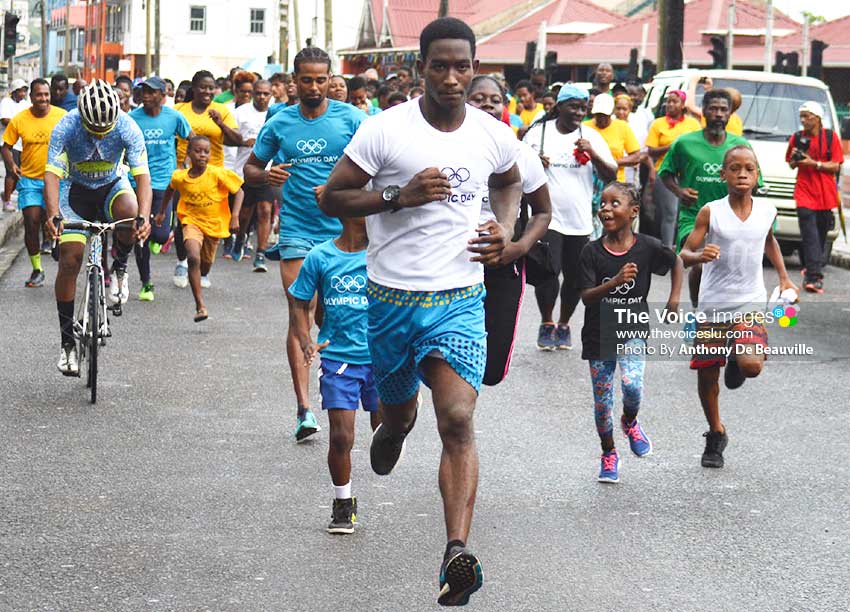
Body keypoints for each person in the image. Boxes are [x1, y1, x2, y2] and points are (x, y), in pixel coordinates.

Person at [321, 17, 523, 605]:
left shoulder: (491, 133)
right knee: (401, 416)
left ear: (475, 65)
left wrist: (504, 229)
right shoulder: (386, 132)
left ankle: (455, 550)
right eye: (441, 66)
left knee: (457, 418)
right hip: (389, 303)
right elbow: (332, 196)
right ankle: (390, 431)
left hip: (460, 299)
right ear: (421, 68)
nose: (453, 77)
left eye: (463, 66)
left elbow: (510, 182)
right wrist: (396, 196)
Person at [244, 47, 367, 443]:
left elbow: (379, 163)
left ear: (330, 79)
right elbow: (249, 168)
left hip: (342, 230)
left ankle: (334, 375)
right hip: (296, 229)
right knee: (300, 308)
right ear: (293, 80)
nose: (314, 87)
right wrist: (266, 174)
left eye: (321, 80)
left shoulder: (351, 119)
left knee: (327, 317)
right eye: (306, 80)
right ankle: (304, 408)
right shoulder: (280, 122)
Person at [680, 146, 796, 468]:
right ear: (724, 174)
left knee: (751, 367)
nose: (742, 174)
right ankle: (716, 433)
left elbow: (768, 239)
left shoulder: (767, 210)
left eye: (749, 169)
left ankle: (738, 353)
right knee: (707, 375)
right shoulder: (710, 212)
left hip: (750, 300)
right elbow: (684, 253)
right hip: (714, 305)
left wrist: (785, 279)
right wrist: (698, 255)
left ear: (757, 176)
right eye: (734, 168)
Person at [44, 80, 152, 375]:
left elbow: (143, 177)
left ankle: (119, 267)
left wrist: (144, 216)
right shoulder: (66, 126)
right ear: (82, 118)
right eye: (94, 130)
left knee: (131, 214)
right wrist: (53, 214)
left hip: (111, 188)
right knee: (69, 261)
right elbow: (52, 175)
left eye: (106, 130)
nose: (100, 136)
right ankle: (67, 344)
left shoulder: (128, 126)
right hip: (74, 192)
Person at [579, 181, 682, 482]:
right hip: (599, 333)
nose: (606, 209)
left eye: (614, 204)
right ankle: (609, 453)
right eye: (603, 204)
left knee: (632, 385)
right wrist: (615, 281)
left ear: (634, 212)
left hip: (633, 328)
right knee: (602, 403)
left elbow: (675, 261)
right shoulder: (591, 251)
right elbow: (586, 296)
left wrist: (674, 300)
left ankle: (630, 421)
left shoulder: (647, 246)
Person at [289, 214, 380, 534]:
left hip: (383, 358)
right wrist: (305, 341)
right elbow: (299, 303)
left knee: (385, 434)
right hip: (339, 359)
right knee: (342, 436)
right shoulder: (320, 257)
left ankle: (406, 409)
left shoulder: (384, 254)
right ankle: (343, 503)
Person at [466, 74, 552, 385]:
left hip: (503, 263)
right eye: (478, 99)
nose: (487, 105)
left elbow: (543, 212)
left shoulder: (522, 154)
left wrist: (519, 247)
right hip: (450, 264)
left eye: (495, 100)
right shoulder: (443, 148)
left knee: (491, 370)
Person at [524, 85, 617, 350]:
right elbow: (516, 168)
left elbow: (611, 173)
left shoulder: (590, 136)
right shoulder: (538, 133)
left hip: (579, 220)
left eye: (582, 107)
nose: (579, 112)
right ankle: (547, 322)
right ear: (559, 107)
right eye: (573, 106)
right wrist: (534, 162)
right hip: (546, 217)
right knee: (548, 273)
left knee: (576, 278)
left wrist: (593, 153)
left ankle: (564, 324)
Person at [658, 89, 755, 311]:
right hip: (693, 216)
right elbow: (665, 173)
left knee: (727, 268)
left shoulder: (740, 146)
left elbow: (754, 180)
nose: (719, 114)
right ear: (703, 112)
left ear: (730, 114)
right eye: (713, 109)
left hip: (731, 217)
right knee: (701, 265)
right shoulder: (684, 143)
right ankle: (697, 310)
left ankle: (726, 313)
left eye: (724, 110)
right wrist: (680, 191)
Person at [155, 135, 243, 321]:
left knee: (205, 265)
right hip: (191, 221)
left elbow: (239, 191)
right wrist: (162, 212)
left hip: (214, 225)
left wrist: (235, 216)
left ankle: (202, 274)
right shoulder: (180, 176)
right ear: (188, 154)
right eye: (197, 151)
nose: (202, 155)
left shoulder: (217, 173)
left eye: (206, 152)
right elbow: (170, 189)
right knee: (193, 257)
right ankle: (200, 306)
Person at [172, 70, 242, 287]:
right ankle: (183, 261)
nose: (207, 91)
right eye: (203, 87)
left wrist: (220, 123)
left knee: (211, 224)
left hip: (214, 175)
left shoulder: (222, 110)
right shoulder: (179, 110)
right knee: (183, 218)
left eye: (211, 87)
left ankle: (204, 267)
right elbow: (169, 138)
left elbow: (237, 140)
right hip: (185, 174)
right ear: (194, 88)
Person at [128, 76, 193, 302]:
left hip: (166, 183)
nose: (145, 95)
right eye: (143, 91)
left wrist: (188, 165)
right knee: (140, 234)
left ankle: (161, 237)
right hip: (138, 181)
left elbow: (191, 138)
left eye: (151, 91)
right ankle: (146, 283)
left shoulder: (174, 117)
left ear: (162, 94)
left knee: (161, 233)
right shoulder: (131, 119)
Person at [1, 79, 66, 287]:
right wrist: (11, 166)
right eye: (39, 95)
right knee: (31, 221)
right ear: (31, 97)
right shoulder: (20, 119)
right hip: (30, 179)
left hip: (56, 180)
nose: (43, 99)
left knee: (56, 221)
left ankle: (57, 248)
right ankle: (37, 269)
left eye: (46, 95)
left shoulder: (62, 117)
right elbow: (6, 147)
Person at [785, 101, 843, 294]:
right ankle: (814, 277)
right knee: (809, 234)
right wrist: (795, 158)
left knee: (820, 235)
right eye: (801, 116)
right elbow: (792, 165)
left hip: (825, 194)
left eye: (807, 116)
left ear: (817, 118)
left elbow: (835, 165)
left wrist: (814, 163)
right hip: (804, 192)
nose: (803, 120)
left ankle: (811, 266)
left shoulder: (830, 137)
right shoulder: (797, 138)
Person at [646, 90, 702, 248]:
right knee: (670, 213)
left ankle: (687, 247)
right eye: (668, 101)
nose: (670, 105)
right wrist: (671, 147)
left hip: (688, 173)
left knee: (686, 212)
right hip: (665, 172)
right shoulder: (658, 124)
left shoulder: (692, 124)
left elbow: (698, 146)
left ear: (683, 104)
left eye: (674, 101)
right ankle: (667, 249)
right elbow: (650, 150)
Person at [230, 79, 274, 271]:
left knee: (265, 210)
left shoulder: (276, 114)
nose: (262, 97)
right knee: (245, 212)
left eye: (266, 94)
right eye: (259, 93)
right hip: (244, 171)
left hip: (268, 170)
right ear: (253, 93)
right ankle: (241, 238)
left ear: (271, 95)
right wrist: (243, 141)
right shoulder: (241, 112)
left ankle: (261, 254)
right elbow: (228, 138)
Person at [584, 93, 641, 183]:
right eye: (598, 114)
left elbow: (636, 157)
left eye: (605, 115)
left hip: (616, 181)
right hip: (589, 180)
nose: (601, 118)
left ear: (611, 112)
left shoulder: (622, 127)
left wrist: (610, 163)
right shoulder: (584, 127)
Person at [1, 79, 32, 212]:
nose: (23, 93)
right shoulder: (6, 102)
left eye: (25, 91)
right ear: (14, 91)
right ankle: (7, 201)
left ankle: (5, 194)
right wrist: (20, 124)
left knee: (20, 173)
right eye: (21, 91)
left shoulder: (26, 105)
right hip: (8, 143)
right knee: (11, 172)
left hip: (21, 144)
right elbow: (4, 120)